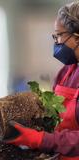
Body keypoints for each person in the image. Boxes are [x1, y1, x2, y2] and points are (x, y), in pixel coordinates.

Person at [5, 1, 79, 160]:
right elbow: (53, 115)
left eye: (59, 35)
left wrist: (40, 139)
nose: (56, 42)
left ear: (77, 37)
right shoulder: (66, 72)